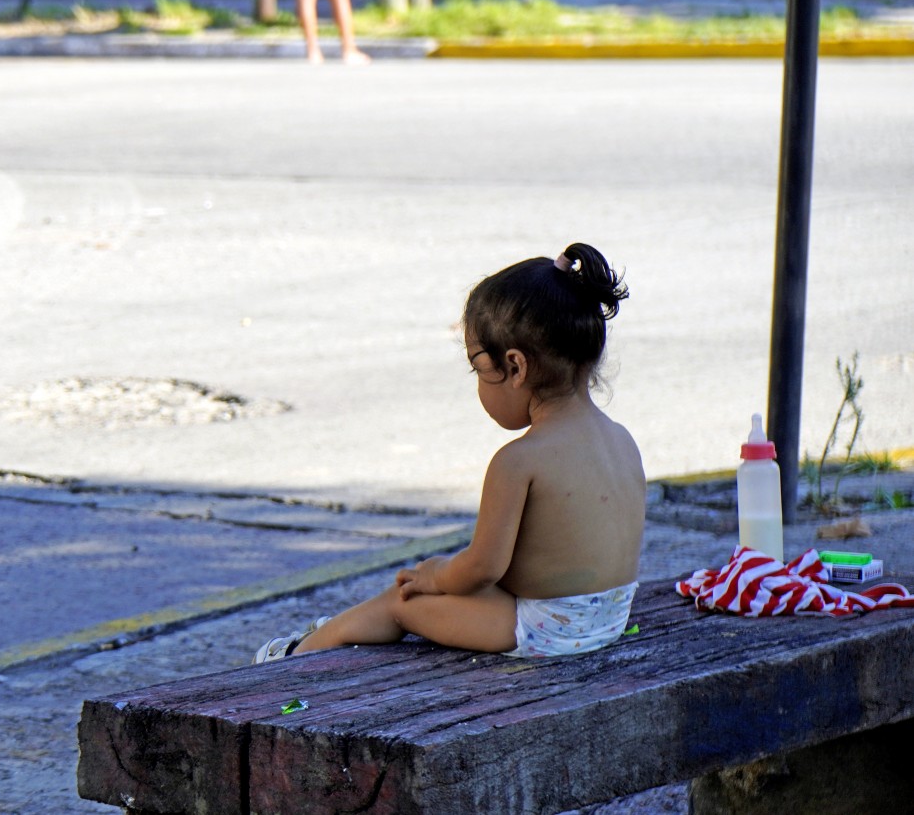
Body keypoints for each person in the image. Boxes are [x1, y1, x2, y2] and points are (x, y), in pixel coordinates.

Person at [255, 242, 645, 661]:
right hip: (608, 617)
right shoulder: (621, 439)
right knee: (425, 588)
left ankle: (295, 657)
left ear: (515, 368)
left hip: (547, 628)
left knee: (403, 601)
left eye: (478, 369)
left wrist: (436, 573)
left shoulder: (519, 461)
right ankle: (331, 631)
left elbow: (482, 570)